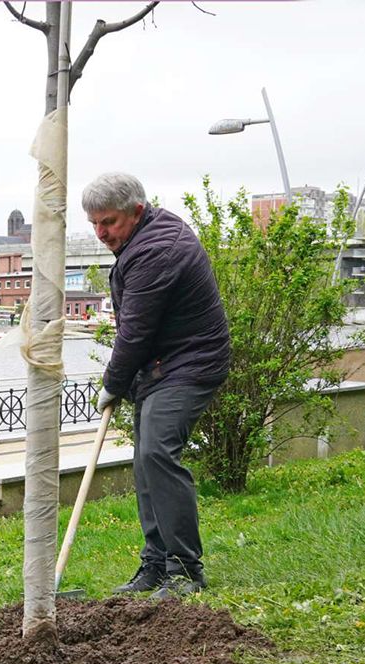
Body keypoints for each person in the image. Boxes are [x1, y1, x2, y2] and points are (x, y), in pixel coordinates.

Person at [84, 173, 231, 600]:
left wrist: (112, 383)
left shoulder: (156, 251)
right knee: (146, 460)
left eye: (108, 222)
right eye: (94, 223)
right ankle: (155, 564)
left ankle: (185, 570)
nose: (100, 233)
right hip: (161, 367)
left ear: (136, 210)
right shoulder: (141, 239)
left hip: (191, 363)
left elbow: (135, 333)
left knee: (157, 453)